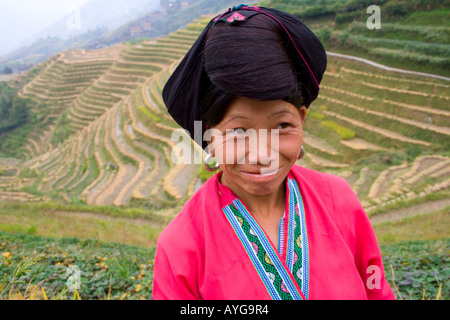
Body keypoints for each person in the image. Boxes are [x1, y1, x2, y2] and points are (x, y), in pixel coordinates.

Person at [152, 4, 395, 300]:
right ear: (208, 136)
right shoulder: (180, 248)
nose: (262, 154)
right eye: (239, 132)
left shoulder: (339, 200)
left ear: (301, 119)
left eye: (282, 125)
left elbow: (377, 293)